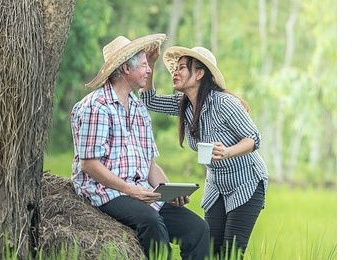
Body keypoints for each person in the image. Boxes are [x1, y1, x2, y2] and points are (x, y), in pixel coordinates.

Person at [70, 34, 210, 259]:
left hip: (139, 190)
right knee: (151, 222)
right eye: (145, 65)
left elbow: (149, 163)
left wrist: (169, 190)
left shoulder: (138, 108)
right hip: (106, 192)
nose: (148, 70)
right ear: (126, 68)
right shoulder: (96, 107)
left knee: (198, 229)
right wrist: (129, 189)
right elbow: (89, 164)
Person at [139, 46, 269, 259]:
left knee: (231, 254)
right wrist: (151, 63)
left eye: (182, 68)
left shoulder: (224, 103)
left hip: (246, 182)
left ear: (199, 74)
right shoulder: (184, 105)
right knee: (210, 251)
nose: (175, 72)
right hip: (216, 184)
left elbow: (254, 139)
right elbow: (148, 100)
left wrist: (227, 151)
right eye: (175, 68)